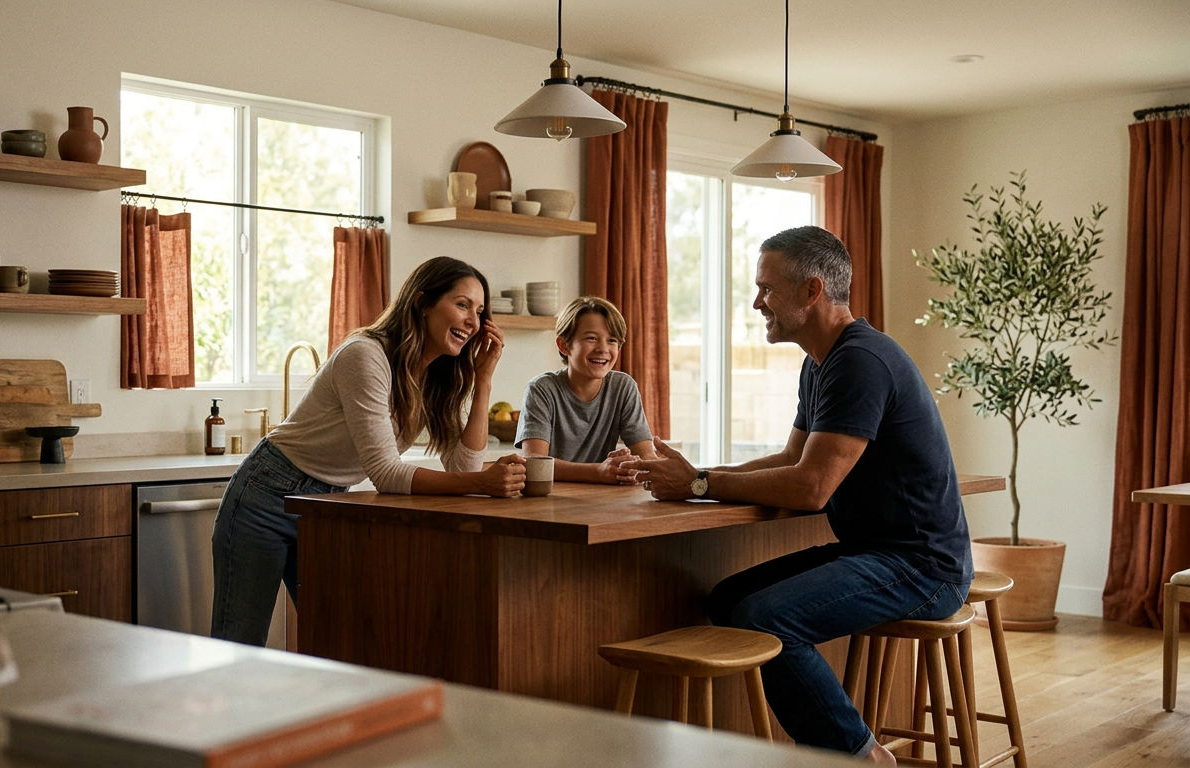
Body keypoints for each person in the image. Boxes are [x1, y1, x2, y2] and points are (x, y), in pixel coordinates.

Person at [623, 226, 971, 765]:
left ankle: (860, 755)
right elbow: (792, 459)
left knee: (763, 617)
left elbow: (811, 487)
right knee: (726, 601)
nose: (757, 301)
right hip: (875, 552)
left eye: (767, 288)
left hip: (922, 567)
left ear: (812, 292)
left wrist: (697, 484)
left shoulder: (860, 361)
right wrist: (698, 473)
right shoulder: (821, 362)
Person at [211, 256, 527, 647]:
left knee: (342, 641)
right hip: (264, 498)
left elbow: (463, 464)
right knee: (240, 644)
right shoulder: (366, 355)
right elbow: (387, 472)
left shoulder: (434, 376)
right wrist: (481, 482)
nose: (473, 322)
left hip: (327, 505)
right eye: (462, 305)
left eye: (480, 312)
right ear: (423, 302)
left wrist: (483, 380)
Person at [514, 296, 657, 483]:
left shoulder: (623, 387)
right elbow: (535, 463)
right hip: (553, 499)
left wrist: (628, 466)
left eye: (612, 340)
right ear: (564, 345)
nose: (603, 349)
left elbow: (647, 456)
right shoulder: (542, 389)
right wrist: (599, 471)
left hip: (601, 500)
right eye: (591, 338)